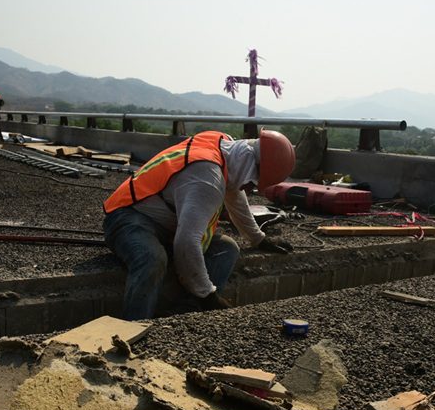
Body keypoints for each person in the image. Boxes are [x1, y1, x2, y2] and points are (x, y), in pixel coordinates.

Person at [103, 129, 295, 320]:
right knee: (152, 259)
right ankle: (134, 326)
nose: (250, 189)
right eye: (252, 184)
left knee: (227, 249)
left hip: (162, 224)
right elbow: (186, 242)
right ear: (249, 167)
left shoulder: (224, 147)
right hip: (127, 216)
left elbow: (234, 193)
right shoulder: (208, 179)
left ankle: (185, 313)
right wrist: (208, 295)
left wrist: (258, 239)